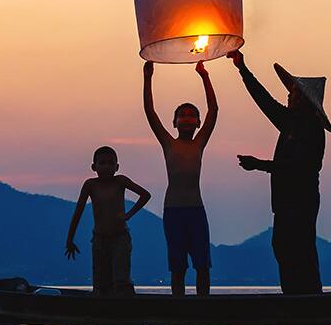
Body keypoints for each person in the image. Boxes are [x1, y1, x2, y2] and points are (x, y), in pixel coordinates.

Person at [227, 49, 331, 295]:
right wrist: (242, 69)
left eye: (294, 92)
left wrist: (259, 164)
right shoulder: (291, 121)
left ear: (306, 100)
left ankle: (308, 301)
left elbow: (296, 168)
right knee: (284, 247)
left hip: (301, 201)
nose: (289, 95)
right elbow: (264, 100)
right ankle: (294, 300)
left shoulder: (310, 128)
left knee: (300, 252)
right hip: (286, 202)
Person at [143, 59, 218, 296]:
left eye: (191, 116)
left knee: (202, 265)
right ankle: (178, 309)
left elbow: (213, 111)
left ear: (197, 123)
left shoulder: (199, 143)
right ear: (174, 123)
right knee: (177, 266)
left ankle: (202, 309)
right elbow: (150, 112)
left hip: (196, 209)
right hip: (173, 210)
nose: (187, 119)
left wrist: (204, 76)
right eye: (182, 116)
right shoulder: (169, 143)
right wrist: (148, 77)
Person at [65, 146, 151, 296]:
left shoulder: (120, 181)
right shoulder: (90, 185)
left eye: (110, 163)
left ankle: (127, 312)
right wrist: (70, 240)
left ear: (117, 167)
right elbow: (78, 212)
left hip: (120, 238)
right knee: (100, 283)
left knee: (121, 280)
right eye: (102, 163)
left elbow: (145, 195)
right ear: (94, 166)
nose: (106, 167)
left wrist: (128, 215)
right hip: (99, 239)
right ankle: (101, 314)